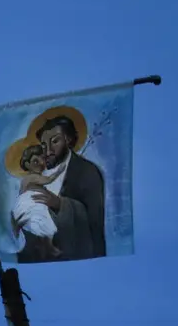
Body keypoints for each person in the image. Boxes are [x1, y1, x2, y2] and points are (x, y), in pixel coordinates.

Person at [14, 111, 106, 264]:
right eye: (44, 145)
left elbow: (94, 223)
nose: (48, 150)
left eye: (55, 141)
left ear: (68, 140)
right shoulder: (39, 171)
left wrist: (60, 205)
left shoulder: (86, 171)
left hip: (79, 260)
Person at [8, 141, 61, 257]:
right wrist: (59, 171)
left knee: (43, 227)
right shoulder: (31, 177)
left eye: (42, 160)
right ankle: (47, 246)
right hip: (31, 204)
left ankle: (47, 246)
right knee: (43, 224)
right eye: (35, 161)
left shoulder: (32, 178)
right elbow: (49, 180)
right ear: (27, 165)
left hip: (33, 204)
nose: (41, 164)